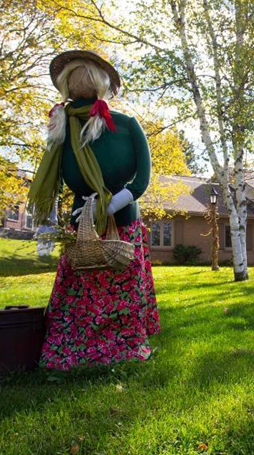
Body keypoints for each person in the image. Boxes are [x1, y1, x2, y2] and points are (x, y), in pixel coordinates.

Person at [28, 50, 160, 371]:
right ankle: (72, 348)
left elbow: (142, 178)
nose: (80, 85)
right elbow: (53, 180)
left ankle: (123, 345)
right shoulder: (62, 128)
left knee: (120, 286)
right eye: (74, 79)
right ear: (66, 87)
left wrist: (113, 204)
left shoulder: (127, 126)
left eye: (87, 78)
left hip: (123, 222)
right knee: (79, 288)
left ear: (101, 86)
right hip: (79, 224)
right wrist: (47, 226)